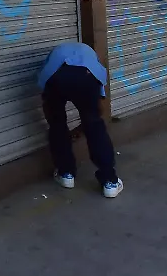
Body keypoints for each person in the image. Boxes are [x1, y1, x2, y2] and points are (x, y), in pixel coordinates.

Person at [37, 42, 123, 198]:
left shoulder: (53, 57)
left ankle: (66, 174)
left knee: (57, 123)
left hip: (55, 77)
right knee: (95, 125)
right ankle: (109, 181)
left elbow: (47, 105)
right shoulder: (94, 64)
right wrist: (85, 126)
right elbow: (99, 109)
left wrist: (57, 126)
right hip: (86, 78)